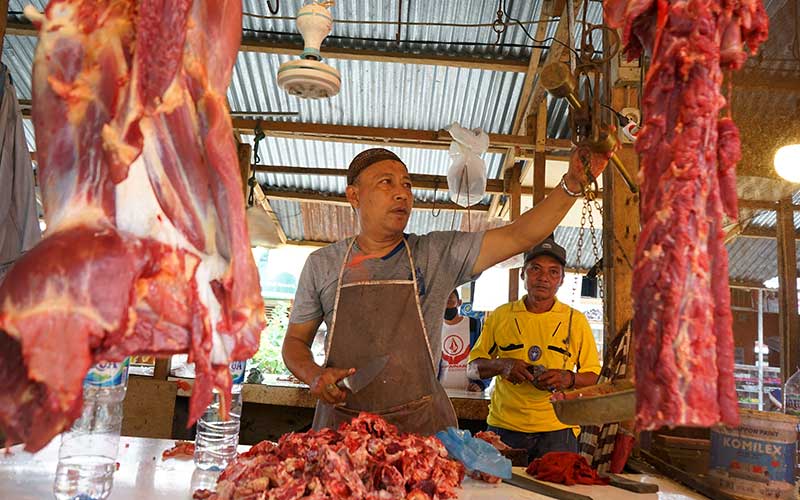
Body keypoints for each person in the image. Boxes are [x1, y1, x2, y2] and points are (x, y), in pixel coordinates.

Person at [282, 146, 609, 435]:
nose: (402, 193)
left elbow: (518, 236)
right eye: (387, 182)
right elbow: (296, 342)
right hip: (341, 432)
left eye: (407, 185)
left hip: (421, 432)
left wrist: (573, 185)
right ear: (353, 195)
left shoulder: (435, 254)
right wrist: (314, 375)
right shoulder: (323, 265)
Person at [467, 238, 601, 460]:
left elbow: (595, 377)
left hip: (559, 430)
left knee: (557, 492)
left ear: (561, 280)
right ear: (523, 274)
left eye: (553, 272)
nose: (543, 278)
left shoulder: (574, 321)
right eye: (535, 269)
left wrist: (567, 378)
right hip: (504, 428)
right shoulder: (501, 316)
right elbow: (471, 369)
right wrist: (502, 365)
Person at [438, 289, 488, 392]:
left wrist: (481, 384)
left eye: (450, 301)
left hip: (469, 391)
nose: (447, 305)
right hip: (441, 391)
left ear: (459, 302)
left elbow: (486, 355)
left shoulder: (473, 324)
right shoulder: (434, 327)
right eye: (443, 301)